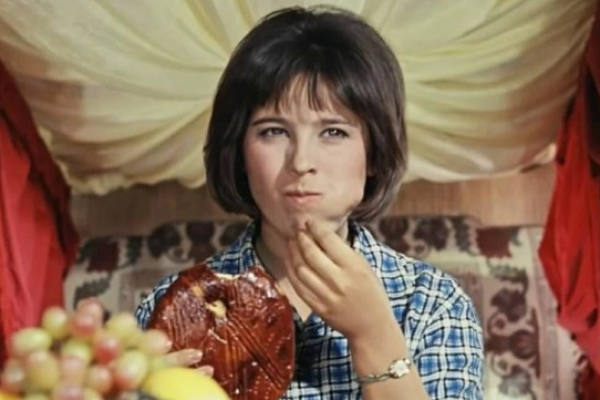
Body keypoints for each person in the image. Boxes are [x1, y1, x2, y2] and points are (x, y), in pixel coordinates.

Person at [136, 6, 484, 399]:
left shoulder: (433, 303)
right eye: (273, 131)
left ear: (374, 152)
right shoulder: (172, 309)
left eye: (333, 132)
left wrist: (374, 335)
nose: (301, 162)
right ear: (240, 152)